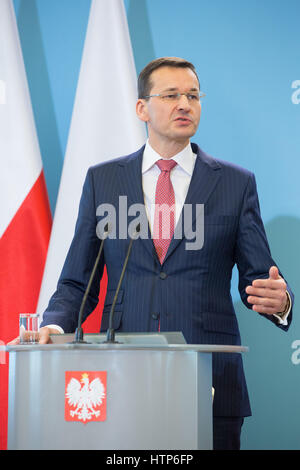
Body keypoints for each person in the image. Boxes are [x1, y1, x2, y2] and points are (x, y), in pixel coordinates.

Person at [10, 57, 293, 449]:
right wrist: (56, 327)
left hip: (209, 383)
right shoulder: (104, 180)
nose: (185, 104)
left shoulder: (234, 183)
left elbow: (260, 276)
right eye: (172, 95)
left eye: (193, 95)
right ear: (142, 108)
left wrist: (279, 301)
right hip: (123, 380)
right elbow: (78, 279)